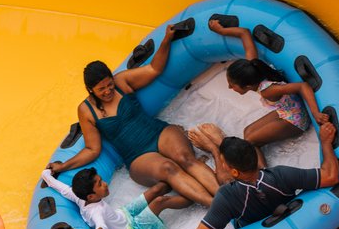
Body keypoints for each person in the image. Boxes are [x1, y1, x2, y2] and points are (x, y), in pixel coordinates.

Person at [50, 26, 220, 207]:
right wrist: (63, 166)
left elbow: (154, 69)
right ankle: (218, 205)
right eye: (102, 89)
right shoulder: (86, 110)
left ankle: (227, 195)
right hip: (138, 157)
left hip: (158, 133)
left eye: (109, 84)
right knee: (169, 168)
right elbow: (92, 149)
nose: (108, 91)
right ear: (91, 90)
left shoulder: (121, 82)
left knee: (185, 159)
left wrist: (166, 40)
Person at [135, 121, 339, 229]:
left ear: (233, 170)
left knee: (223, 183)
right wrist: (325, 143)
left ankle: (215, 149)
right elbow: (330, 176)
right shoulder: (281, 175)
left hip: (249, 224)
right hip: (272, 195)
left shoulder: (227, 196)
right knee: (236, 180)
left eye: (224, 163)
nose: (223, 167)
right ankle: (219, 146)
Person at [207, 18, 327, 166]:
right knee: (247, 132)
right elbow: (244, 34)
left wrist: (315, 113)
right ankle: (258, 154)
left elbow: (302, 86)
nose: (230, 88)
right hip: (285, 110)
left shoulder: (268, 91)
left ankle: (265, 174)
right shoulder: (253, 66)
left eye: (233, 85)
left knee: (250, 141)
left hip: (296, 120)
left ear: (249, 85)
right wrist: (221, 31)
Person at [41, 167, 190, 229]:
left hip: (125, 214)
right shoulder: (96, 211)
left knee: (157, 190)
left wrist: (47, 175)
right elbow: (100, 225)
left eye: (101, 180)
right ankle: (193, 197)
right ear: (91, 196)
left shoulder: (80, 197)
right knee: (159, 201)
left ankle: (186, 179)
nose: (104, 184)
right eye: (100, 184)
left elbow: (63, 189)